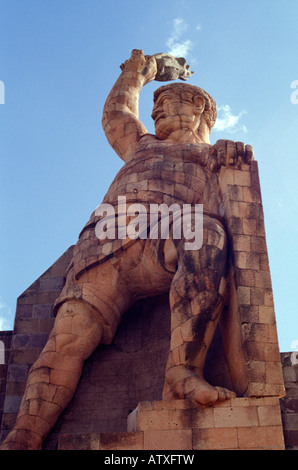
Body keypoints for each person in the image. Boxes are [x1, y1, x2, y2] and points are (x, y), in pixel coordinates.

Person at [1, 50, 253, 450]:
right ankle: (24, 436)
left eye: (167, 104)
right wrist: (138, 72)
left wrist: (230, 156)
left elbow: (233, 208)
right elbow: (116, 112)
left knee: (206, 235)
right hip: (104, 244)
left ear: (199, 107)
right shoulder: (142, 146)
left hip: (165, 240)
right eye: (154, 108)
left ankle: (182, 371)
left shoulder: (211, 158)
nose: (156, 114)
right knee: (67, 342)